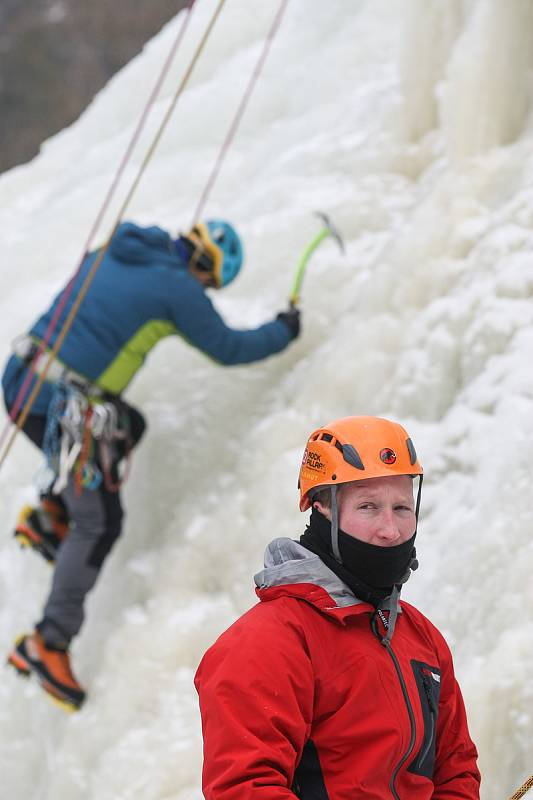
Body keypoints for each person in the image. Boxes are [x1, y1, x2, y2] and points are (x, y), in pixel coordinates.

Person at [3, 218, 300, 711]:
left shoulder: (120, 246)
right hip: (58, 404)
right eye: (210, 282)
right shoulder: (178, 290)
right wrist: (284, 331)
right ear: (209, 271)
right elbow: (230, 348)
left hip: (21, 378)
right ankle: (47, 643)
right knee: (100, 522)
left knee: (128, 425)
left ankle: (50, 516)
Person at [194, 415, 481, 798]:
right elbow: (245, 788)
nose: (390, 530)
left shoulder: (419, 637)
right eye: (367, 507)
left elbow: (455, 770)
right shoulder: (268, 641)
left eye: (401, 508)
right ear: (323, 508)